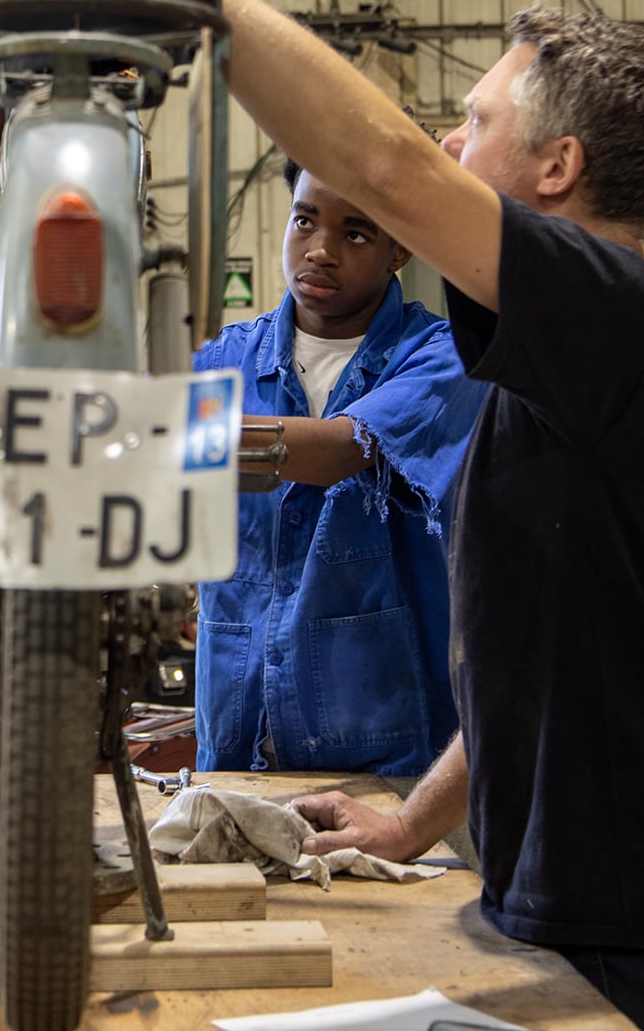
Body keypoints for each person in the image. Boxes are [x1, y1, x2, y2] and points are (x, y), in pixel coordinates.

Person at [216, 0, 644, 1031]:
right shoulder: (545, 372)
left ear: (556, 166)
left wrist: (202, 1)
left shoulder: (627, 316)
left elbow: (387, 165)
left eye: (475, 123)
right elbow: (540, 652)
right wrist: (411, 821)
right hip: (558, 914)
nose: (447, 141)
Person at [191, 155, 485, 777]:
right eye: (304, 222)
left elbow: (340, 449)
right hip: (237, 741)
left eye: (355, 233)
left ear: (399, 249)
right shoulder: (226, 361)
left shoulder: (443, 358)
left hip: (383, 751)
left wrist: (165, 431)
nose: (319, 251)